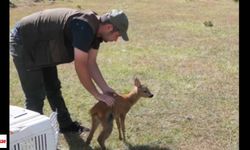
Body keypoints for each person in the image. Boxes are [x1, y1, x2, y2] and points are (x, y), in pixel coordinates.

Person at [10, 8, 129, 133]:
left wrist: (105, 89)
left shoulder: (96, 32)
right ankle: (34, 138)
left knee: (53, 87)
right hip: (24, 40)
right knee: (35, 96)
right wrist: (97, 94)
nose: (116, 40)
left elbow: (91, 63)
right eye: (118, 35)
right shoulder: (85, 27)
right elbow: (80, 65)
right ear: (109, 27)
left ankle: (65, 125)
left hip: (42, 44)